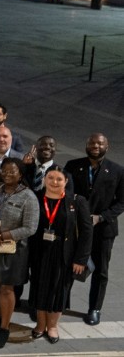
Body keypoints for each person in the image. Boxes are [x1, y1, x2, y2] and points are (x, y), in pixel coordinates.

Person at [64, 133, 123, 326]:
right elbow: (67, 194)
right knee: (68, 265)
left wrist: (102, 217)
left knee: (100, 270)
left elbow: (121, 202)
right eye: (92, 142)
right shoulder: (73, 166)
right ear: (86, 145)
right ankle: (62, 302)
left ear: (107, 146)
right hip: (77, 228)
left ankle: (94, 309)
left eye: (100, 143)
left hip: (103, 229)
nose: (95, 146)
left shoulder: (117, 171)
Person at [29, 168, 93, 343]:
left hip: (64, 255)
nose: (54, 182)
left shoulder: (77, 201)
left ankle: (53, 327)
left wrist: (80, 259)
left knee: (59, 291)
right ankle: (40, 326)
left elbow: (87, 232)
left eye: (59, 179)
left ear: (66, 181)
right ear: (44, 179)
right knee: (39, 289)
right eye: (50, 178)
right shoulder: (35, 197)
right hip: (40, 253)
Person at [0, 158, 39, 348]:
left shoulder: (28, 196)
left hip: (14, 250)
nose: (7, 174)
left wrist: (4, 235)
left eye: (12, 172)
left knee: (7, 288)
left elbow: (30, 228)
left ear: (21, 175)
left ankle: (4, 329)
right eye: (4, 171)